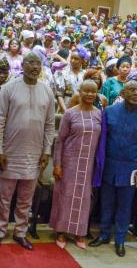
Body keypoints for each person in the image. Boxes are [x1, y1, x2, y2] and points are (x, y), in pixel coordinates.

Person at [0, 52, 55, 251]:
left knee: (26, 198)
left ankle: (20, 232)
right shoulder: (9, 88)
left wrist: (47, 151)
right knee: (4, 197)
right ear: (23, 65)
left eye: (38, 64)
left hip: (35, 154)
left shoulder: (47, 91)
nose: (35, 67)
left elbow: (50, 124)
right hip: (10, 153)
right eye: (31, 63)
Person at [90, 80, 137, 257]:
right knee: (106, 202)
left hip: (131, 168)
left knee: (125, 206)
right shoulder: (110, 112)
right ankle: (103, 235)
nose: (135, 93)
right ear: (123, 93)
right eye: (131, 90)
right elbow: (102, 140)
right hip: (109, 165)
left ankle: (120, 240)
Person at [50, 80, 103, 250]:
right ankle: (61, 231)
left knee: (85, 198)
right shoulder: (70, 114)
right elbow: (60, 141)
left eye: (93, 92)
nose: (89, 94)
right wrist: (57, 164)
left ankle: (79, 232)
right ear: (79, 92)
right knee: (65, 195)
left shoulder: (99, 114)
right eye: (86, 91)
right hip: (69, 161)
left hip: (89, 164)